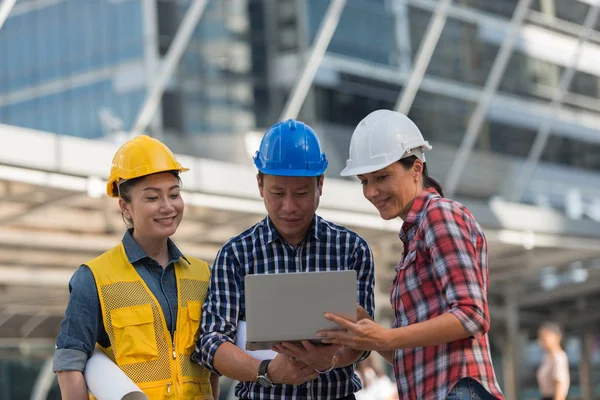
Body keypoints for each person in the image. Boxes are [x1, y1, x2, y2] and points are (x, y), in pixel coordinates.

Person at [317, 109, 504, 400]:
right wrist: (366, 327)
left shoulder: (439, 215)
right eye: (365, 181)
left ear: (416, 169)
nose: (372, 191)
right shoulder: (415, 235)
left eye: (382, 177)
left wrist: (387, 336)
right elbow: (416, 353)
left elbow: (471, 314)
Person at [192, 119, 376, 400]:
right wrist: (267, 370)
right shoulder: (236, 255)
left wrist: (330, 360)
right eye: (278, 193)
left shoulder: (351, 249)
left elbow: (364, 338)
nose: (289, 206)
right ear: (260, 185)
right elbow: (212, 342)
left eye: (301, 193)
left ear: (321, 185)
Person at [53, 135, 219, 400]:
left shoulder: (204, 275)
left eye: (174, 194)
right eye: (152, 197)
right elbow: (70, 363)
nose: (168, 207)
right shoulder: (94, 278)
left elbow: (211, 368)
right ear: (125, 207)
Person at [536, 322, 570, 400]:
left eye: (546, 336)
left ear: (557, 337)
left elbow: (560, 387)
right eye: (541, 337)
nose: (543, 340)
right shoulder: (547, 358)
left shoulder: (559, 357)